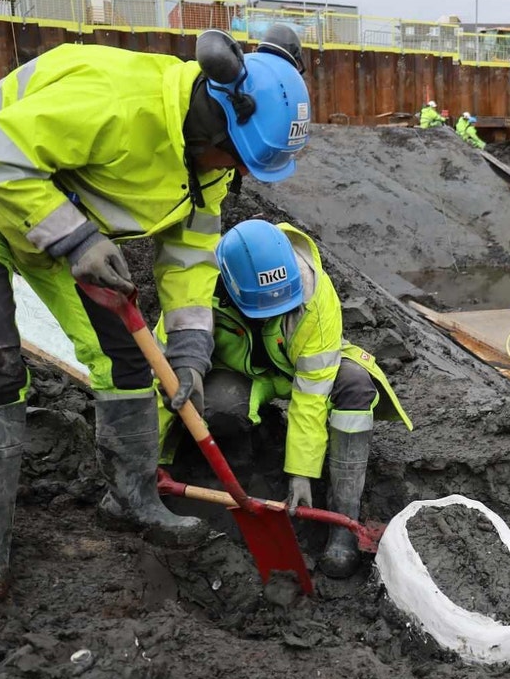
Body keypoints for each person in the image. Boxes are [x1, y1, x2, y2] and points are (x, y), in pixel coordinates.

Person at [0, 27, 311, 604]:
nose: (239, 173)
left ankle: (132, 500)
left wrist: (191, 353)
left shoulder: (211, 165)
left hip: (55, 212)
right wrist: (76, 240)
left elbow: (191, 254)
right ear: (213, 115)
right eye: (238, 158)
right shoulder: (120, 104)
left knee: (126, 363)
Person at [158, 219, 411, 578]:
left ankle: (342, 523)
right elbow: (160, 378)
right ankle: (241, 478)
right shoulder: (196, 290)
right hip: (240, 375)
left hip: (300, 373)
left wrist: (301, 474)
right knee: (218, 406)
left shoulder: (315, 294)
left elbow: (311, 394)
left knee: (355, 384)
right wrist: (148, 458)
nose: (275, 316)